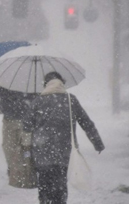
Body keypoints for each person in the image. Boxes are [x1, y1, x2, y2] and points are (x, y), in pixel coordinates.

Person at [24, 71, 105, 204]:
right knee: (60, 186)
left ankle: (44, 201)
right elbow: (86, 123)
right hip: (63, 153)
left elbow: (27, 126)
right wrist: (97, 143)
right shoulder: (70, 100)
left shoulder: (38, 101)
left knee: (44, 186)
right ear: (62, 83)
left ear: (46, 84)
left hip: (41, 152)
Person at [0, 85, 38, 188]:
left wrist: (27, 96)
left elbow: (38, 95)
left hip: (27, 119)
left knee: (27, 148)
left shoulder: (33, 76)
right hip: (9, 118)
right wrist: (15, 95)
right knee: (8, 147)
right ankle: (14, 169)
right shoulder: (10, 76)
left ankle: (28, 175)